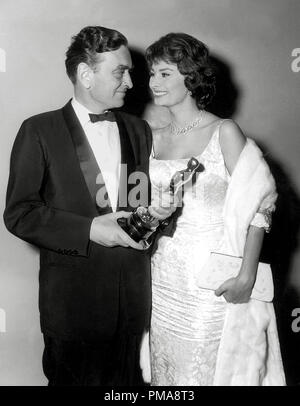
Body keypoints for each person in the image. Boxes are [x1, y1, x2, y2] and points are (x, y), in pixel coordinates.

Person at [3, 26, 174, 386]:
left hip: (134, 302)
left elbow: (134, 203)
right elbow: (20, 213)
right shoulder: (38, 130)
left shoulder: (138, 129)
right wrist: (91, 229)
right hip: (73, 308)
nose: (130, 81)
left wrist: (154, 217)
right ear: (85, 74)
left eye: (129, 71)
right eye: (119, 72)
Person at [140, 32, 286, 385]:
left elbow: (261, 208)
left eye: (165, 74)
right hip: (161, 282)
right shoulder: (152, 137)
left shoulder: (224, 131)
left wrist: (246, 276)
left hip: (211, 283)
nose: (153, 83)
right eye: (152, 73)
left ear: (190, 77)